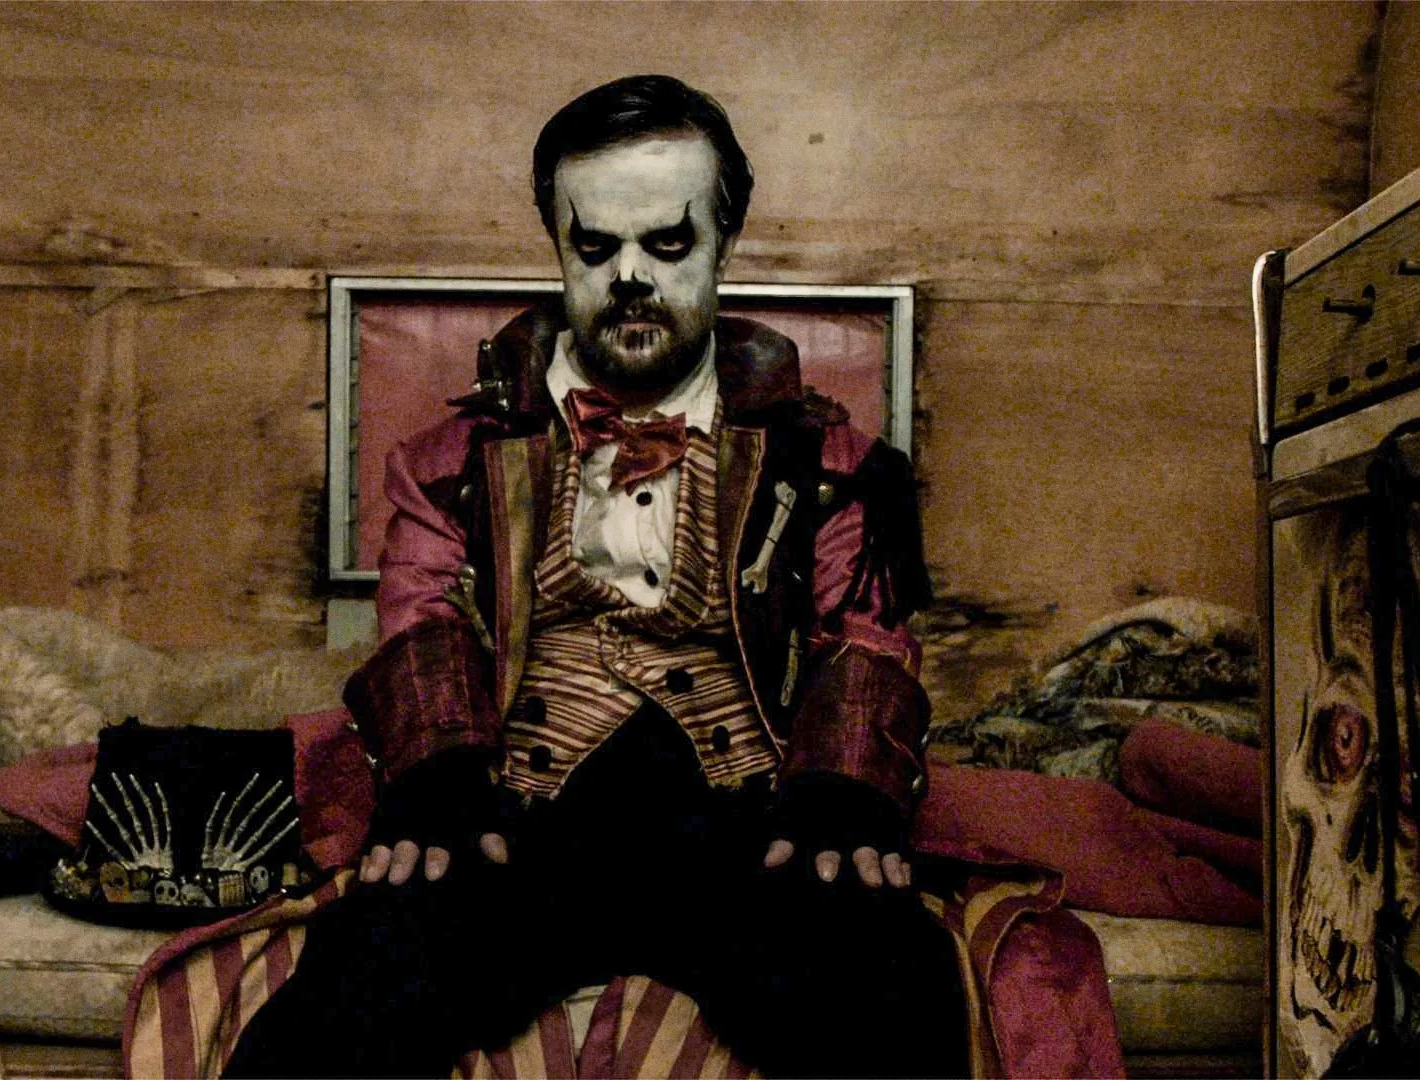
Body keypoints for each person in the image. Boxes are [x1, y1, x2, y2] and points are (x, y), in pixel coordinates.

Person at [224, 74, 967, 1078]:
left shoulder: (833, 465)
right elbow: (419, 615)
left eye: (668, 244)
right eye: (595, 247)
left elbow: (864, 633)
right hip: (524, 824)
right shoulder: (451, 460)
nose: (629, 276)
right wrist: (438, 780)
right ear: (557, 246)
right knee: (344, 994)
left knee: (894, 980)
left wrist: (842, 791)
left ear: (724, 242)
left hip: (741, 824)